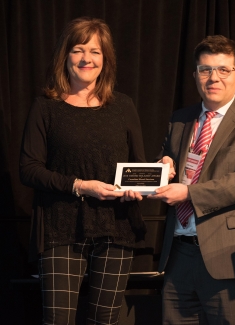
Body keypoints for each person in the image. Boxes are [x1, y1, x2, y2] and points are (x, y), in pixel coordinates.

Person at [20, 17, 146, 325]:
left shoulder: (123, 106)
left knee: (104, 320)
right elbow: (29, 169)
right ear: (66, 56)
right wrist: (80, 185)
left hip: (116, 227)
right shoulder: (45, 107)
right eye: (78, 50)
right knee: (58, 319)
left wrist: (145, 184)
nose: (86, 59)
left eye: (96, 51)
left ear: (106, 60)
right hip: (61, 227)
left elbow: (138, 167)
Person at [148, 35, 235, 325]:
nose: (213, 77)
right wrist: (164, 163)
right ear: (195, 75)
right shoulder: (180, 119)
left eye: (223, 70)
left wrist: (188, 194)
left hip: (229, 256)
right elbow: (167, 160)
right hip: (179, 256)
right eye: (205, 70)